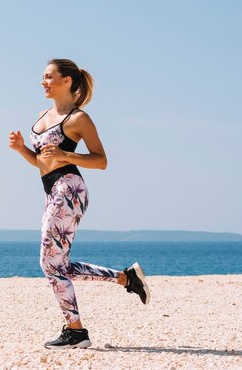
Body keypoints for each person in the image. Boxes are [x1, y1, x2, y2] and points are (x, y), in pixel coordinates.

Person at [8, 58, 150, 349]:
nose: (43, 81)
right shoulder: (42, 114)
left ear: (66, 81)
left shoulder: (78, 119)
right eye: (42, 77)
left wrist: (68, 155)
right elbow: (42, 162)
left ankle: (76, 331)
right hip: (52, 190)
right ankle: (127, 278)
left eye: (48, 76)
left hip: (69, 189)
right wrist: (22, 148)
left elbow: (101, 160)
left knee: (49, 263)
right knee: (57, 265)